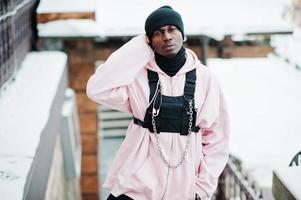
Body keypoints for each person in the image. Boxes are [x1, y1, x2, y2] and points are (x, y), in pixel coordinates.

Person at [86, 5, 230, 200]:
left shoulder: (206, 78)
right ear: (149, 40)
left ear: (182, 34)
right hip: (135, 184)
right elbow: (96, 88)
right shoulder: (137, 76)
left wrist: (202, 188)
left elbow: (218, 138)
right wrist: (138, 47)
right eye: (158, 32)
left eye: (172, 29)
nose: (167, 36)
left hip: (183, 189)